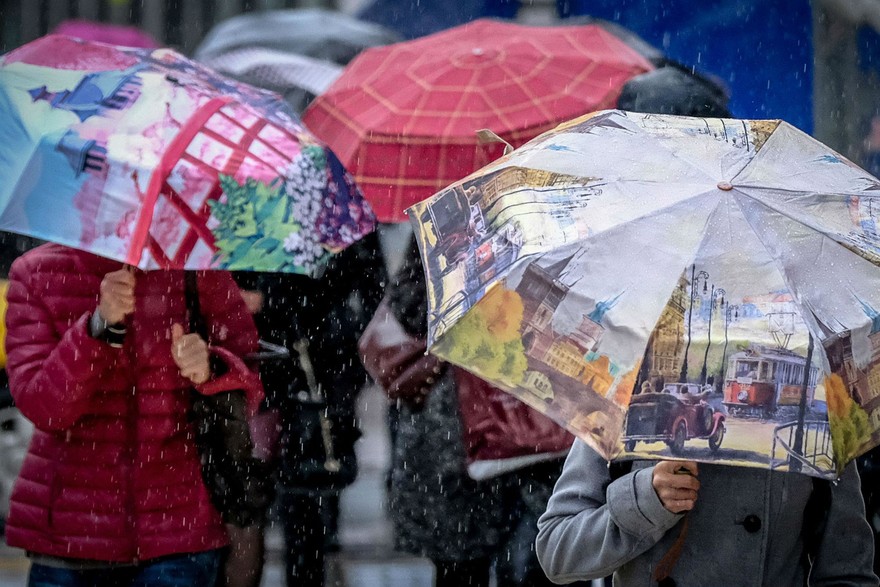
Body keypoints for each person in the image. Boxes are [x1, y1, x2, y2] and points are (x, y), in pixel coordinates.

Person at [3, 243, 262, 586]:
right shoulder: (35, 273)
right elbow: (45, 409)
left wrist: (210, 368)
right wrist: (99, 326)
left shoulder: (195, 268)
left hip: (179, 531)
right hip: (70, 538)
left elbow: (251, 374)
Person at [379, 235, 566, 587]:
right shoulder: (445, 224)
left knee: (538, 561)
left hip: (536, 433)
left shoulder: (556, 223)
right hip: (464, 433)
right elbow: (409, 308)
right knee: (464, 563)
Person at [241, 232, 386, 587]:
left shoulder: (337, 210)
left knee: (303, 490)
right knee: (252, 496)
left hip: (315, 374)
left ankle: (309, 563)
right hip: (262, 368)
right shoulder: (250, 201)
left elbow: (366, 285)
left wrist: (269, 298)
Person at [536, 442, 879, 586]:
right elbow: (557, 549)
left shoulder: (815, 401)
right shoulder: (627, 384)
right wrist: (646, 499)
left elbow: (847, 571)